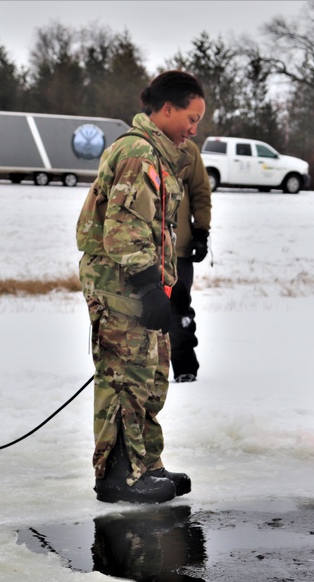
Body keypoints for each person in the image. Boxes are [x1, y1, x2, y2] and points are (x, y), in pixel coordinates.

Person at [76, 70, 206, 504]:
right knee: (124, 378)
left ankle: (146, 464)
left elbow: (158, 232)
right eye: (191, 117)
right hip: (121, 286)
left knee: (151, 377)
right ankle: (118, 476)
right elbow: (124, 230)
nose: (194, 128)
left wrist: (172, 287)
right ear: (166, 109)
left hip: (143, 283)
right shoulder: (138, 153)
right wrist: (150, 287)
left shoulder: (163, 156)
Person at [168, 138, 212, 382]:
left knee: (179, 311)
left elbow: (201, 192)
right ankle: (143, 371)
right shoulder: (138, 144)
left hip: (179, 251)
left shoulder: (188, 150)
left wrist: (201, 233)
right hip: (141, 251)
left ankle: (185, 368)